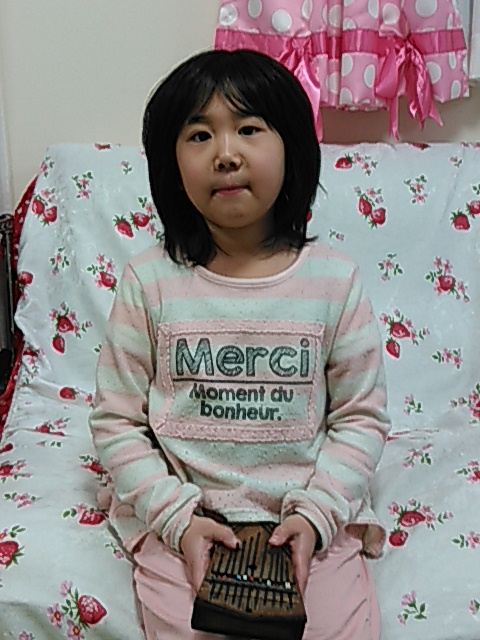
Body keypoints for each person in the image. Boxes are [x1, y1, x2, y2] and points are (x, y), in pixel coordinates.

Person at [89, 49, 390, 640]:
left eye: (249, 128)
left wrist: (317, 516)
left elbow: (360, 417)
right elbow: (116, 421)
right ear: (171, 163)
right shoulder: (150, 282)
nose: (225, 153)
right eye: (200, 135)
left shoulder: (334, 281)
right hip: (187, 518)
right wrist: (177, 520)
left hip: (307, 518)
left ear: (292, 147)